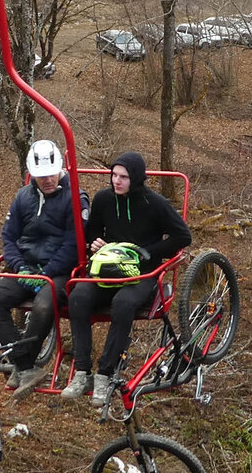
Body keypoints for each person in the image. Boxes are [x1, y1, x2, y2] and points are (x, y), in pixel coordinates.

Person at [61, 151, 192, 406]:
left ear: (136, 179)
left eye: (123, 177)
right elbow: (93, 229)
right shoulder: (104, 199)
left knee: (123, 304)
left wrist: (149, 252)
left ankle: (105, 374)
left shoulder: (154, 204)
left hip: (141, 274)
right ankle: (82, 372)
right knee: (78, 297)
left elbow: (182, 237)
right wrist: (95, 242)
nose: (116, 181)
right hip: (108, 268)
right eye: (113, 176)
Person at [0, 140, 87, 401]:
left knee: (43, 306)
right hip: (26, 266)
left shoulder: (74, 197)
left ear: (59, 169)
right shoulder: (23, 197)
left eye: (51, 174)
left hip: (60, 270)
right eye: (41, 176)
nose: (47, 180)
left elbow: (74, 243)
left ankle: (22, 364)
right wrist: (19, 268)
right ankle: (26, 365)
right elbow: (9, 236)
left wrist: (47, 273)